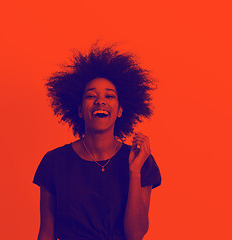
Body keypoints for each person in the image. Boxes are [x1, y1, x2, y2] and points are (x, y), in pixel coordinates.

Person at [33, 44, 162, 240]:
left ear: (119, 111)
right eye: (91, 96)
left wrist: (134, 172)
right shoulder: (54, 162)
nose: (100, 101)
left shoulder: (141, 161)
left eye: (109, 96)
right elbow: (46, 233)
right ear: (78, 110)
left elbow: (136, 235)